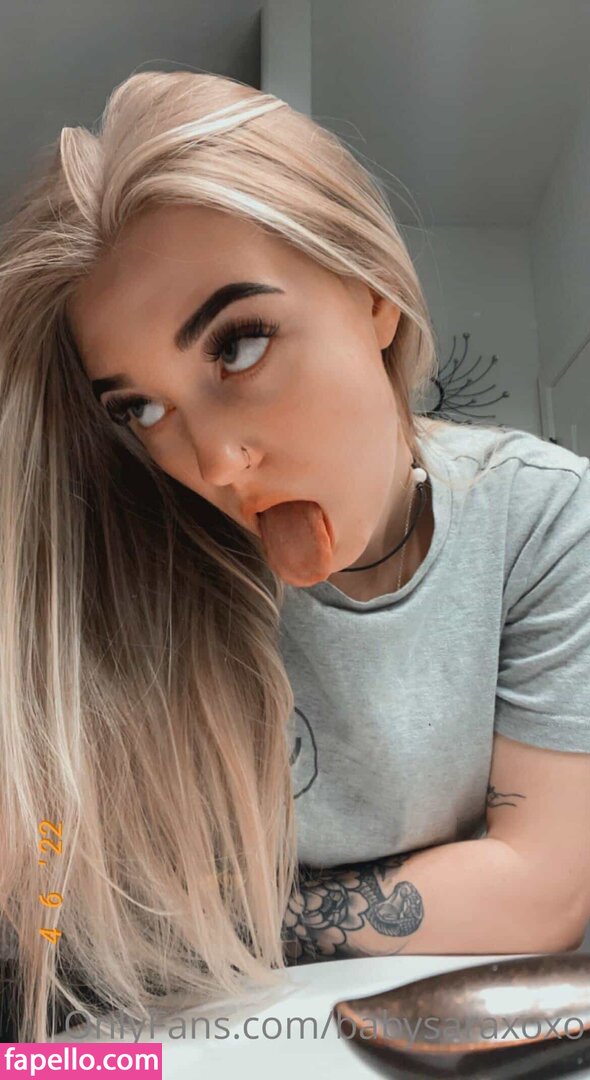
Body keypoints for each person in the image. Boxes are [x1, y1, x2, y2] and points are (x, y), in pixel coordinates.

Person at [0, 69, 589, 1044]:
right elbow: (57, 908)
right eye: (140, 407)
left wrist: (198, 922)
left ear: (372, 295)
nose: (212, 464)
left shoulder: (540, 516)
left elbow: (542, 893)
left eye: (238, 346)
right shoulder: (144, 549)